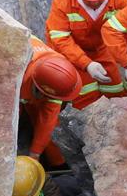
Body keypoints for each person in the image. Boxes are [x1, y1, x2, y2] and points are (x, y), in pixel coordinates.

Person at [46, 0, 127, 109]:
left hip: (102, 48)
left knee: (117, 89)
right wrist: (87, 64)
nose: (94, 2)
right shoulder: (63, 0)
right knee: (84, 94)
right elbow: (61, 40)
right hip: (69, 52)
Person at [20, 36, 82, 167]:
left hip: (36, 84)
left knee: (50, 130)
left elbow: (47, 121)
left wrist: (35, 154)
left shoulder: (58, 74)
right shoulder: (19, 76)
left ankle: (58, 164)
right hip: (19, 74)